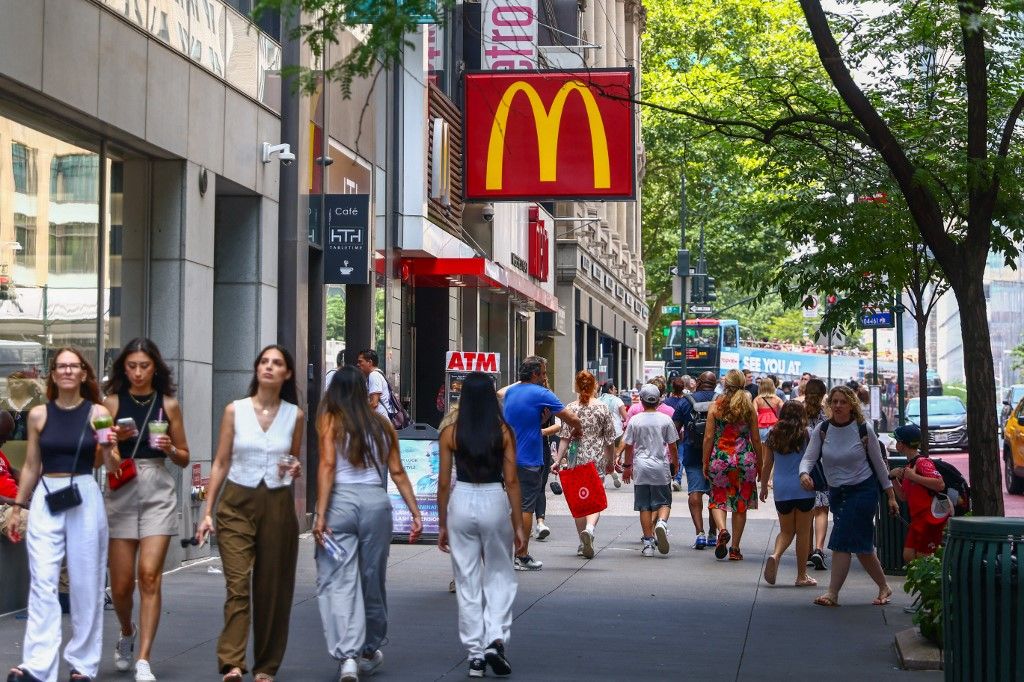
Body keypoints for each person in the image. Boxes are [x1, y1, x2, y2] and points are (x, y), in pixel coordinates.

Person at [5, 348, 119, 682]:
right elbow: (30, 465)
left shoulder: (98, 411)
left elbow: (110, 466)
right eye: (61, 366)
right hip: (47, 497)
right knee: (42, 581)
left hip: (84, 493)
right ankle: (37, 666)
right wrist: (17, 506)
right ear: (53, 374)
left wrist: (109, 446)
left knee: (86, 583)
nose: (68, 371)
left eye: (74, 366)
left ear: (84, 373)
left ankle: (82, 665)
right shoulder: (39, 415)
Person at [196, 345, 304, 682]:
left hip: (278, 503)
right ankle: (232, 661)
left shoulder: (295, 415)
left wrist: (295, 468)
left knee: (273, 588)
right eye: (264, 362)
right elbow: (221, 461)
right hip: (236, 502)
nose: (269, 367)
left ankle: (266, 665)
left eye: (277, 364)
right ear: (257, 369)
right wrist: (207, 511)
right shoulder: (235, 410)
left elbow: (294, 458)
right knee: (238, 584)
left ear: (286, 374)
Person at [312, 366, 423, 682]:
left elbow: (327, 466)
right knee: (372, 577)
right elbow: (398, 472)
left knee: (337, 578)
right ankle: (370, 648)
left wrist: (320, 514)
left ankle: (348, 657)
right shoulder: (383, 423)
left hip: (340, 506)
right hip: (376, 504)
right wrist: (415, 514)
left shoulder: (330, 420)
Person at [103, 338, 190, 682]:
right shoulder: (110, 402)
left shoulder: (168, 404)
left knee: (150, 575)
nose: (138, 372)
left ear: (156, 367)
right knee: (122, 586)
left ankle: (143, 660)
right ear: (124, 368)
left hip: (157, 484)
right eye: (132, 366)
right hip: (121, 484)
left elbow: (184, 456)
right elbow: (101, 457)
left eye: (144, 366)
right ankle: (127, 631)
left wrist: (169, 448)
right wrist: (109, 441)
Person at [437, 372, 525, 678]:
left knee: (467, 580)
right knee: (500, 573)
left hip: (460, 500)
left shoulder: (450, 432)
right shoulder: (503, 431)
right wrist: (518, 525)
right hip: (493, 498)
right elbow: (512, 481)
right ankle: (494, 638)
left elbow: (443, 483)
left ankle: (475, 655)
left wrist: (442, 523)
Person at [799, 385, 898, 607]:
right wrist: (804, 473)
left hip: (863, 491)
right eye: (834, 401)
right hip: (837, 493)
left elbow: (880, 466)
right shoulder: (823, 429)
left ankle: (832, 593)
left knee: (841, 540)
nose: (838, 406)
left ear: (852, 405)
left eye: (843, 402)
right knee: (862, 547)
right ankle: (884, 586)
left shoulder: (863, 428)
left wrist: (890, 495)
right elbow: (808, 458)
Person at [503, 358, 580, 571]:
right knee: (526, 507)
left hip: (508, 459)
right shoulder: (542, 394)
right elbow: (570, 417)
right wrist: (579, 428)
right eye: (544, 372)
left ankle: (508, 555)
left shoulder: (511, 393)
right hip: (529, 460)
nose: (546, 377)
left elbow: (519, 423)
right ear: (535, 373)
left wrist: (537, 421)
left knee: (513, 507)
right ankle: (522, 555)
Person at [552, 371, 615, 560]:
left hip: (575, 459)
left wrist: (557, 461)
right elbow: (609, 440)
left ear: (577, 387)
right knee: (595, 498)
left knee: (579, 500)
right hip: (596, 459)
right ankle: (590, 529)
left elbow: (563, 438)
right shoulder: (603, 408)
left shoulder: (570, 408)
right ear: (595, 385)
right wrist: (611, 462)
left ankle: (582, 542)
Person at [702, 369, 761, 561]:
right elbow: (756, 439)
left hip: (720, 458)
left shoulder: (715, 406)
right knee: (740, 504)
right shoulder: (748, 408)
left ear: (725, 384)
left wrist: (705, 461)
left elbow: (709, 437)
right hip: (745, 460)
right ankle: (735, 548)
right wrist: (760, 463)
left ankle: (722, 529)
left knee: (718, 498)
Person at [760, 402, 817, 588]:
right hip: (804, 486)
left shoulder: (772, 434)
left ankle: (775, 555)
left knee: (786, 531)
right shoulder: (807, 433)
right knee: (803, 532)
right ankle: (801, 575)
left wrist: (763, 487)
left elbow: (767, 464)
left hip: (782, 488)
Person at [622, 385, 679, 557]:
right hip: (660, 467)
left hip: (641, 467)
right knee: (664, 502)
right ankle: (661, 522)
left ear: (642, 400)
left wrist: (627, 467)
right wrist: (675, 463)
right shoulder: (665, 420)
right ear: (659, 399)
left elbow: (629, 446)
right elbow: (673, 446)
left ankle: (648, 544)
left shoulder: (635, 420)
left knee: (644, 506)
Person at [672, 372, 718, 549]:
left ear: (698, 382)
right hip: (716, 455)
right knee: (716, 495)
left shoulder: (686, 401)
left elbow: (675, 428)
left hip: (692, 452)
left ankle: (700, 533)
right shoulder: (721, 401)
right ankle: (714, 534)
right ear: (714, 385)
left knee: (695, 492)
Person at [888, 425, 947, 563]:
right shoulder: (909, 466)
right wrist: (893, 478)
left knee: (923, 560)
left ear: (902, 444)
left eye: (896, 441)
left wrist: (914, 477)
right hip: (917, 521)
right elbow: (903, 496)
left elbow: (940, 484)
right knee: (909, 556)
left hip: (929, 520)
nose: (895, 444)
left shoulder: (922, 462)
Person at [802, 378, 830, 570]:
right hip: (823, 466)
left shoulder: (798, 413)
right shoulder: (827, 415)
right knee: (822, 509)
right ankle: (819, 549)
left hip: (802, 466)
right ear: (822, 394)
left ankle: (807, 550)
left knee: (807, 511)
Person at [597, 381, 627, 488]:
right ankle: (612, 469)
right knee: (611, 456)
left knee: (603, 456)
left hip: (601, 432)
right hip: (616, 432)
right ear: (610, 389)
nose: (616, 391)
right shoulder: (618, 400)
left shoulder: (598, 400)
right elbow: (625, 417)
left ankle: (604, 479)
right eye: (614, 389)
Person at [754, 378, 784, 471]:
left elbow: (754, 414)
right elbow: (785, 410)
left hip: (760, 427)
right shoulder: (777, 399)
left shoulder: (757, 399)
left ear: (761, 386)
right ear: (772, 386)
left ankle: (762, 475)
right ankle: (769, 479)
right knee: (772, 455)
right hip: (774, 427)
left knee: (762, 454)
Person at [356, 349, 393, 420]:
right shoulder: (378, 373)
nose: (358, 364)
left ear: (369, 362)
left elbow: (374, 403)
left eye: (360, 361)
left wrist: (358, 413)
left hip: (379, 422)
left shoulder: (374, 375)